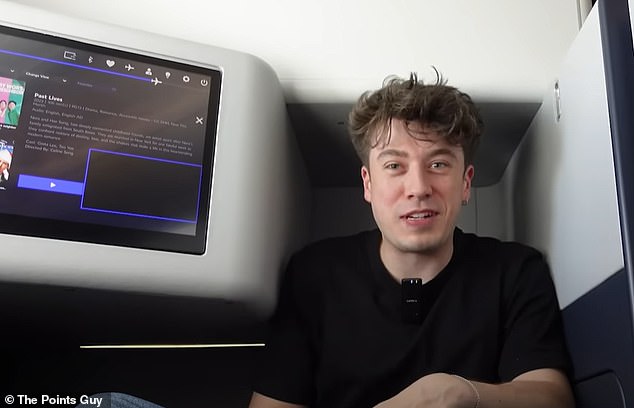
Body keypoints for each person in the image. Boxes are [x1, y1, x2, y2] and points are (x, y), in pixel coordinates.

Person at [249, 73, 574, 408]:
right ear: (368, 184)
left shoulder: (516, 272)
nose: (419, 187)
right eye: (394, 165)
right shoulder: (314, 275)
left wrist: (462, 394)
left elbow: (553, 396)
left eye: (438, 163)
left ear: (465, 183)